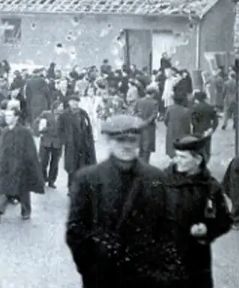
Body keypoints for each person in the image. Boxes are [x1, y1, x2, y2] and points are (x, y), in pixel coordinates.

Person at [66, 115, 174, 288]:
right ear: (109, 141)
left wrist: (160, 270)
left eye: (132, 140)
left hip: (145, 277)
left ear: (139, 142)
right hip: (102, 275)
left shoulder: (155, 178)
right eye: (120, 140)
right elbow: (76, 230)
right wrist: (90, 268)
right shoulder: (88, 179)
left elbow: (168, 227)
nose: (127, 146)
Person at [164, 135, 232, 288]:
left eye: (182, 157)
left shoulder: (211, 187)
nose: (176, 160)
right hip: (166, 256)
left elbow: (225, 220)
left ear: (198, 160)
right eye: (176, 156)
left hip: (196, 258)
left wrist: (208, 229)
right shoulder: (162, 182)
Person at [0, 104, 45, 221]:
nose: (6, 118)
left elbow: (30, 150)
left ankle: (25, 211)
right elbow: (2, 149)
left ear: (16, 117)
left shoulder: (24, 132)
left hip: (21, 165)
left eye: (9, 116)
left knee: (22, 190)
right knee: (6, 188)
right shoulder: (6, 131)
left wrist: (30, 165)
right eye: (6, 116)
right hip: (7, 166)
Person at [59, 95, 96, 191]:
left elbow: (88, 128)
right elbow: (59, 130)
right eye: (73, 101)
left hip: (83, 144)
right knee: (72, 167)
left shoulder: (83, 113)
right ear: (69, 102)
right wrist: (65, 140)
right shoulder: (64, 115)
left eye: (77, 101)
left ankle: (80, 187)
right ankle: (70, 187)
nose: (75, 103)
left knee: (82, 166)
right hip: (71, 145)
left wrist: (89, 140)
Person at [35, 100, 64, 188]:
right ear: (55, 107)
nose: (62, 107)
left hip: (58, 142)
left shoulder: (63, 116)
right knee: (43, 161)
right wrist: (39, 130)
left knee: (55, 163)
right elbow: (37, 123)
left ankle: (51, 181)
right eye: (61, 106)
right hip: (46, 141)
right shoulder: (46, 114)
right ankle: (43, 179)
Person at [131, 87, 159, 163]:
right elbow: (154, 115)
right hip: (149, 127)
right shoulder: (154, 102)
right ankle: (145, 164)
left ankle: (139, 163)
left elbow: (133, 112)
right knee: (147, 148)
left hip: (139, 126)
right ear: (152, 94)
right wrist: (147, 122)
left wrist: (138, 120)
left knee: (141, 146)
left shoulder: (139, 101)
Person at [190, 91, 218, 160]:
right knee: (207, 149)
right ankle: (206, 162)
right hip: (207, 130)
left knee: (197, 148)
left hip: (197, 131)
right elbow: (216, 121)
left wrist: (196, 126)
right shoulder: (210, 107)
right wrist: (212, 129)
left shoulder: (195, 108)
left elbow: (192, 120)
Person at [165, 93, 192, 159]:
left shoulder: (169, 109)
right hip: (182, 131)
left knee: (171, 147)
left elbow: (166, 120)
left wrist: (169, 126)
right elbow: (188, 124)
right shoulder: (186, 110)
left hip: (171, 130)